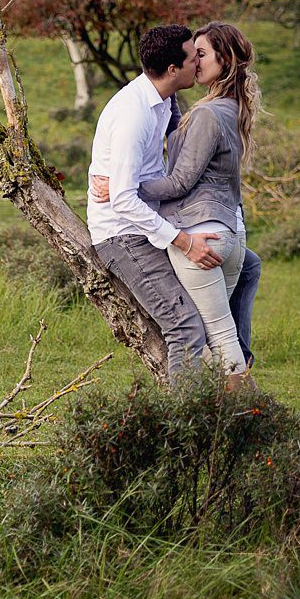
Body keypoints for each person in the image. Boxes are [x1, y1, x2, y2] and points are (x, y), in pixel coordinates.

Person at [88, 25, 264, 382]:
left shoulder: (167, 100)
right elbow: (122, 198)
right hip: (123, 234)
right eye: (192, 57)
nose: (196, 63)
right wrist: (183, 240)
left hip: (151, 222)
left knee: (245, 270)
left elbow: (182, 145)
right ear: (173, 70)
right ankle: (186, 419)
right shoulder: (133, 113)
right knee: (186, 327)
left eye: (202, 55)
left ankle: (229, 381)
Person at [138, 22, 259, 382]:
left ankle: (253, 420)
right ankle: (232, 417)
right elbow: (180, 138)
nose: (193, 60)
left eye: (201, 53)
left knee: (220, 340)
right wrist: (170, 88)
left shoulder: (208, 114)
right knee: (213, 339)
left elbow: (179, 181)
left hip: (203, 235)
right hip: (229, 233)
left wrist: (127, 188)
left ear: (225, 58)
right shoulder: (229, 108)